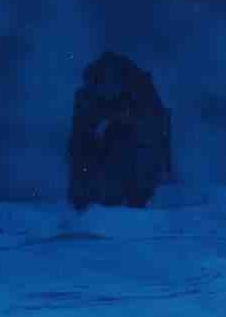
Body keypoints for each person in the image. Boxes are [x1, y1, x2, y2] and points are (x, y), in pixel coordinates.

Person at [67, 51, 173, 210]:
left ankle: (135, 192)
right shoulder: (86, 96)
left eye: (110, 86)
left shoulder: (141, 90)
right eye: (101, 86)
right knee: (83, 145)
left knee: (137, 148)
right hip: (108, 136)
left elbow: (157, 133)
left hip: (138, 139)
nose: (107, 92)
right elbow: (78, 140)